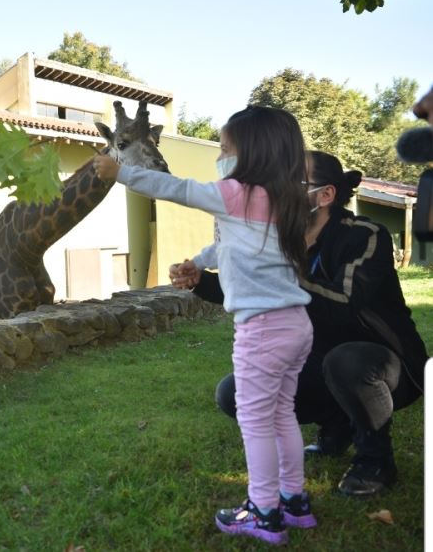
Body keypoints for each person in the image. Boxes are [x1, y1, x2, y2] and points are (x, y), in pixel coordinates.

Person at [94, 105, 314, 545]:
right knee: (281, 413)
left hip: (262, 331)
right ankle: (294, 501)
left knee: (254, 420)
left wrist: (120, 173)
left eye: (224, 148)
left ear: (251, 152)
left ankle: (264, 511)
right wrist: (197, 260)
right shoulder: (286, 198)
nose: (219, 156)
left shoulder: (236, 192)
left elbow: (177, 189)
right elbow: (230, 244)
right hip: (296, 326)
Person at [171, 149, 427, 498]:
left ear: (325, 195)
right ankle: (335, 426)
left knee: (345, 360)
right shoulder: (280, 239)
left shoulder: (366, 235)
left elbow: (345, 305)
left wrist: (278, 273)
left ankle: (375, 459)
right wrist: (199, 279)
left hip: (382, 365)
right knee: (234, 393)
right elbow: (248, 289)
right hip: (316, 358)